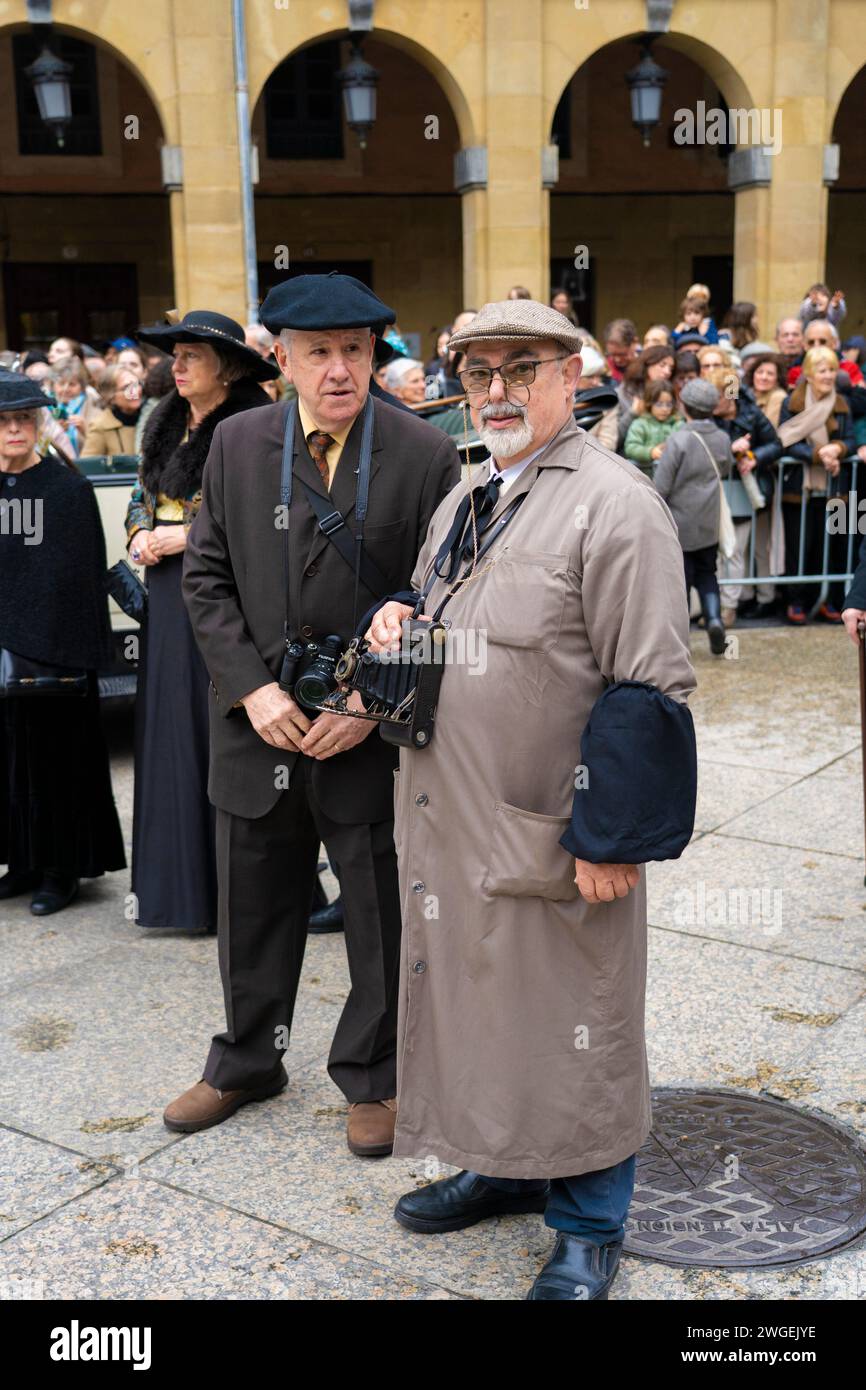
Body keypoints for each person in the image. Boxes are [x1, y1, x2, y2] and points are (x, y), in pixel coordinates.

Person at [363, 298, 696, 1301]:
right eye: (478, 374)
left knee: (574, 1020)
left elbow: (648, 686)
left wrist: (612, 837)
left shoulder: (614, 503)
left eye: (520, 369)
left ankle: (590, 1226)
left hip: (553, 828)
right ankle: (501, 1164)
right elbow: (445, 619)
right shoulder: (466, 495)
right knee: (479, 1007)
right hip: (450, 820)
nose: (496, 390)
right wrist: (400, 622)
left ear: (569, 375)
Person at [168, 274, 460, 1155]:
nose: (340, 370)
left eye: (356, 351)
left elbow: (440, 599)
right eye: (319, 353)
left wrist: (374, 704)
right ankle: (248, 1059)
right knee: (253, 903)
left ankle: (374, 1076)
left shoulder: (422, 452)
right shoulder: (236, 444)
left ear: (376, 354)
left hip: (362, 735)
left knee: (376, 910)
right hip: (257, 726)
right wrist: (252, 688)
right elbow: (206, 578)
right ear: (282, 358)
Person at [125, 311, 279, 936]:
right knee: (169, 732)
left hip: (221, 593)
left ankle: (230, 893)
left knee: (215, 730)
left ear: (230, 367)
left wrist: (180, 538)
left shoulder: (250, 423)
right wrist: (139, 531)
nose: (177, 366)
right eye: (175, 355)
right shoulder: (164, 421)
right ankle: (176, 894)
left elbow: (261, 516)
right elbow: (142, 493)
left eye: (192, 355)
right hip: (165, 594)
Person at [0, 369, 125, 915]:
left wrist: (36, 637)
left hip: (54, 654)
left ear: (39, 424)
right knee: (9, 762)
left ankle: (61, 869)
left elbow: (77, 579)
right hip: (3, 655)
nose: (13, 430)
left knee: (55, 765)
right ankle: (21, 861)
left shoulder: (67, 488)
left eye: (23, 419)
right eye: (3, 422)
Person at [654, 377, 735, 655]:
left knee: (681, 581)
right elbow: (725, 469)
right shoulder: (723, 438)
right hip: (709, 522)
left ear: (683, 405)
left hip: (680, 523)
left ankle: (682, 640)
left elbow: (661, 486)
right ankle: (714, 619)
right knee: (708, 573)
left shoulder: (678, 440)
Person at [777, 345, 855, 624]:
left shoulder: (842, 402)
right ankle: (796, 601)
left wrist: (837, 449)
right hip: (800, 487)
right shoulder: (792, 402)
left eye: (833, 370)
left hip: (835, 487)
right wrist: (818, 455)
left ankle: (829, 601)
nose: (829, 375)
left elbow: (850, 440)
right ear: (809, 374)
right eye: (822, 370)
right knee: (800, 545)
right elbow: (785, 441)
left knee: (831, 546)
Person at [707, 367, 781, 625]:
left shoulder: (751, 414)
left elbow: (776, 444)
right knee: (714, 552)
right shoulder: (706, 417)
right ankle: (715, 606)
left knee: (734, 549)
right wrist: (730, 448)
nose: (712, 402)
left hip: (744, 493)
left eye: (717, 396)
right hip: (711, 491)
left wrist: (755, 457)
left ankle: (728, 607)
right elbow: (699, 448)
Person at [80, 365, 143, 456]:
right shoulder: (100, 426)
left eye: (136, 384)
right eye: (126, 387)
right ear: (110, 396)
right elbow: (88, 466)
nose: (135, 391)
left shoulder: (152, 416)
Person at [623, 380, 682, 476]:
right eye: (659, 404)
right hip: (646, 476)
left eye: (669, 404)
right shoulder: (640, 424)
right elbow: (631, 447)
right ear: (649, 403)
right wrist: (650, 452)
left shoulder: (677, 424)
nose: (664, 409)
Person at [742, 352, 787, 429]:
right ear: (753, 374)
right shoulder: (747, 393)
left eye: (770, 374)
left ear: (778, 378)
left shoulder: (778, 397)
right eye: (760, 372)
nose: (764, 377)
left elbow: (769, 429)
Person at [602, 317, 638, 383]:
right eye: (612, 355)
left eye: (622, 354)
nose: (617, 360)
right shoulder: (603, 369)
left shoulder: (646, 368)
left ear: (634, 343)